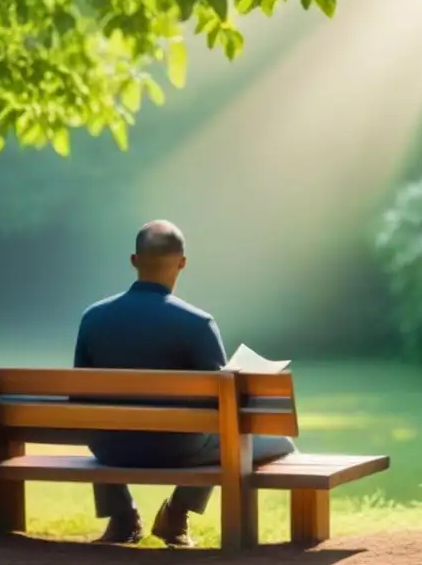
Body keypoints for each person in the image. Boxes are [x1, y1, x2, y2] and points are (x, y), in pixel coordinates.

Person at [73, 219, 296, 547]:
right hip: (178, 450)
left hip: (111, 449)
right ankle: (176, 514)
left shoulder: (93, 318)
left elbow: (80, 398)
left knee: (104, 421)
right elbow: (226, 402)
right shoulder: (197, 323)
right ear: (183, 263)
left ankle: (122, 518)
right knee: (268, 440)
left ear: (134, 260)